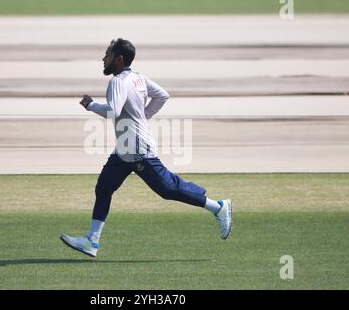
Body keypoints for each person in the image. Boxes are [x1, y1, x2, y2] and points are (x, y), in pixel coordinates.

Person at [60, 38, 232, 257]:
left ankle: (218, 208)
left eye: (108, 55)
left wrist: (91, 105)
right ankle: (91, 241)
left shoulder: (117, 81)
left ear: (119, 59)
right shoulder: (138, 78)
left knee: (167, 188)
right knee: (103, 188)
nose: (104, 59)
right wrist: (143, 117)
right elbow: (162, 96)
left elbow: (113, 110)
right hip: (125, 149)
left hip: (137, 149)